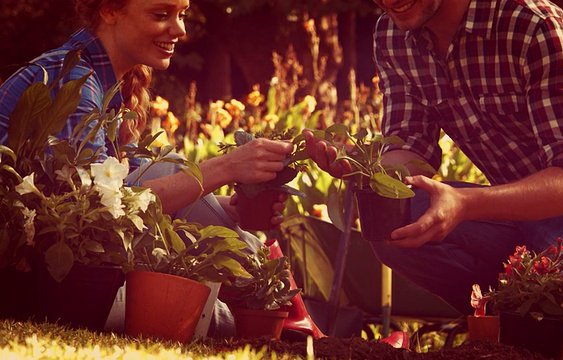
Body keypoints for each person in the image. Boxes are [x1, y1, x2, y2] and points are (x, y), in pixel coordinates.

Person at [304, 0, 563, 358]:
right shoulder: (394, 34)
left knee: (543, 318)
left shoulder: (531, 23)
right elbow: (411, 148)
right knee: (398, 220)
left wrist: (465, 204)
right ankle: (506, 323)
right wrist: (364, 168)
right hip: (521, 213)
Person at [0, 0, 324, 340]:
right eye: (161, 15)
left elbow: (132, 193)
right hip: (31, 279)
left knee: (215, 317)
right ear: (109, 10)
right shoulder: (73, 82)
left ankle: (292, 322)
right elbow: (96, 209)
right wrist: (227, 166)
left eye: (182, 14)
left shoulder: (107, 84)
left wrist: (228, 209)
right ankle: (297, 322)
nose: (180, 29)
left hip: (67, 278)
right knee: (167, 171)